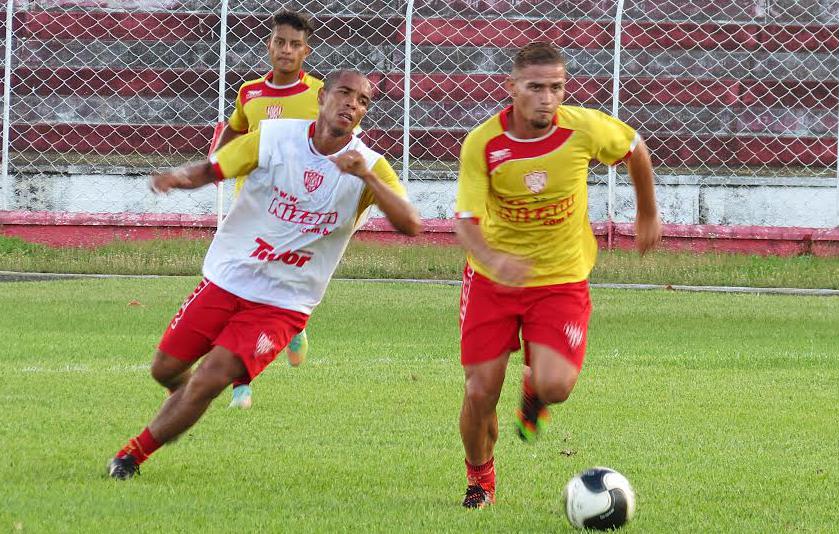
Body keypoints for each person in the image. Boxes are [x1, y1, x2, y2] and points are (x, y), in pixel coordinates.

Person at [107, 70, 421, 480]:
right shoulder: (275, 138)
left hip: (284, 302)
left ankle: (132, 455)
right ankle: (184, 405)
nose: (352, 104)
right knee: (165, 370)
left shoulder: (371, 165)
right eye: (344, 93)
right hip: (230, 276)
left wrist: (365, 176)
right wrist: (177, 178)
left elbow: (410, 223)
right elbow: (213, 169)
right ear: (322, 97)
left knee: (210, 378)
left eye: (362, 101)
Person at [453, 42, 662, 508]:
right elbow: (465, 221)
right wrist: (494, 257)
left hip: (561, 278)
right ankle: (479, 479)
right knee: (480, 391)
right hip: (493, 282)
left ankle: (535, 389)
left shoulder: (584, 129)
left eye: (556, 88)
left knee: (555, 386)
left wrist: (647, 213)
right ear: (512, 89)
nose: (547, 98)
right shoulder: (482, 143)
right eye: (535, 88)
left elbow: (634, 148)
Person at [214, 9, 323, 409]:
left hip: (297, 213)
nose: (286, 50)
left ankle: (289, 329)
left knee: (271, 294)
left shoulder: (321, 94)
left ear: (305, 51)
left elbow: (341, 141)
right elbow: (235, 128)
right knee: (237, 291)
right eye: (280, 42)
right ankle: (241, 380)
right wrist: (218, 158)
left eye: (295, 44)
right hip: (251, 209)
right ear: (269, 45)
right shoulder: (250, 93)